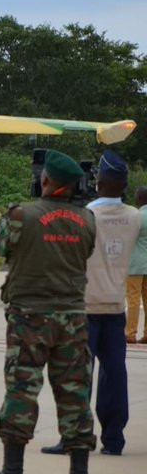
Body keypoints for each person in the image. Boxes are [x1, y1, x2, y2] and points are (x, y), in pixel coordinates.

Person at [0, 149, 96, 474]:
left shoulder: (21, 215)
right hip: (73, 318)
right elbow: (87, 251)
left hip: (30, 318)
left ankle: (13, 472)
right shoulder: (88, 219)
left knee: (21, 390)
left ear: (45, 179)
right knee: (75, 394)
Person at [41, 150, 140, 458]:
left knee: (76, 375)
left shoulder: (83, 215)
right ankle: (114, 439)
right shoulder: (134, 217)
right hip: (115, 306)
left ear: (99, 182)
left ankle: (74, 436)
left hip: (84, 306)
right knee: (115, 374)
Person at [128, 186, 147, 344]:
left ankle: (130, 333)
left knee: (133, 299)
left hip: (135, 264)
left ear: (140, 198)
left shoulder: (137, 216)